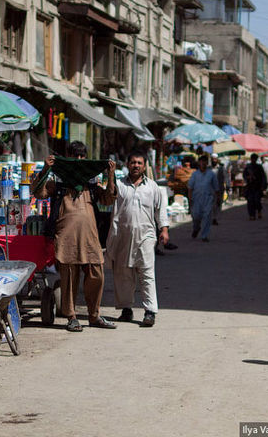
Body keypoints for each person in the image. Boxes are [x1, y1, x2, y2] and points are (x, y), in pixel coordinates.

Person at [31, 141, 117, 332]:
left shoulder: (92, 183)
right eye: (74, 155)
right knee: (69, 277)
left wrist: (110, 175)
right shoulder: (58, 182)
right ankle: (71, 316)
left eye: (81, 156)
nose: (78, 160)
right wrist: (46, 168)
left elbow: (109, 199)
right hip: (66, 236)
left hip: (90, 237)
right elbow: (38, 192)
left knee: (97, 274)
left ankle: (94, 315)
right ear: (68, 157)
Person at [106, 151, 169, 327]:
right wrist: (110, 175)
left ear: (144, 166)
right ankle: (126, 309)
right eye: (133, 162)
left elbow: (160, 209)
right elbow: (109, 197)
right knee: (123, 273)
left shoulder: (153, 187)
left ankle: (150, 311)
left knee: (147, 273)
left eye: (139, 163)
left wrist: (163, 229)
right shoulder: (120, 184)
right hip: (122, 236)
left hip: (146, 235)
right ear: (127, 164)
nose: (136, 165)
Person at [187, 154, 221, 242]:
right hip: (196, 199)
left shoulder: (211, 174)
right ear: (199, 163)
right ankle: (196, 228)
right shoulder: (195, 174)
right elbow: (190, 187)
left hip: (208, 198)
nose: (203, 163)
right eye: (201, 162)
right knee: (196, 216)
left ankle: (204, 235)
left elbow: (216, 187)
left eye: (205, 162)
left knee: (207, 216)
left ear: (207, 163)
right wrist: (190, 199)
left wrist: (218, 198)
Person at [243, 153, 267, 221]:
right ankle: (252, 215)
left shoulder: (259, 167)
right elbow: (244, 175)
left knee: (257, 200)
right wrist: (248, 178)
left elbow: (263, 177)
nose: (253, 160)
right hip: (250, 186)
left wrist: (263, 185)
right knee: (250, 201)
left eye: (254, 159)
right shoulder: (248, 167)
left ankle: (259, 211)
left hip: (257, 186)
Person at [211, 154, 228, 225]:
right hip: (211, 189)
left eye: (215, 159)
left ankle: (215, 218)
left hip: (220, 188)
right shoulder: (208, 168)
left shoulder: (221, 168)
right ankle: (212, 218)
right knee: (211, 204)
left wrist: (227, 186)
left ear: (217, 160)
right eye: (212, 159)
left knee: (218, 203)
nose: (213, 160)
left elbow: (225, 177)